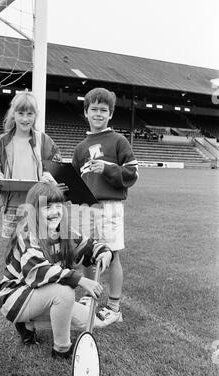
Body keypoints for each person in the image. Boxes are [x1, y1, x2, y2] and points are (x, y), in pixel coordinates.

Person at [0, 182, 117, 359]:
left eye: (58, 205)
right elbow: (40, 271)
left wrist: (104, 252)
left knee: (90, 321)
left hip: (40, 294)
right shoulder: (27, 233)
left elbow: (88, 246)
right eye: (48, 207)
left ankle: (28, 325)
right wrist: (81, 280)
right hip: (16, 296)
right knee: (64, 292)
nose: (55, 212)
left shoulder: (63, 231)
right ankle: (62, 349)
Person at [72, 87, 139, 322]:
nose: (98, 114)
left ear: (110, 114)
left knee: (112, 256)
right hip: (86, 209)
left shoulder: (118, 141)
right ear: (86, 112)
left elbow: (133, 173)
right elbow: (75, 182)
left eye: (103, 110)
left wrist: (109, 169)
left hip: (110, 206)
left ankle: (114, 307)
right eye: (94, 109)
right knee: (86, 255)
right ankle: (90, 295)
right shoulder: (80, 149)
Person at [0, 89, 62, 238]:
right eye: (21, 113)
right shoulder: (2, 141)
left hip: (39, 202)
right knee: (14, 247)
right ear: (13, 114)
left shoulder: (44, 141)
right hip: (12, 203)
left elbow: (55, 164)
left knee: (40, 244)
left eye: (29, 114)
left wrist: (48, 177)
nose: (25, 119)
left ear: (35, 115)